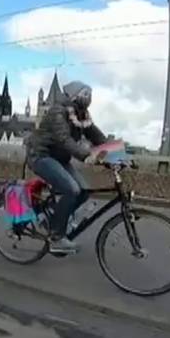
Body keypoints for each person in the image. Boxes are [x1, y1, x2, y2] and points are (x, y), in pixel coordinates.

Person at [25, 81, 107, 254]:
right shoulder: (58, 112)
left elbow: (97, 136)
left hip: (59, 158)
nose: (88, 98)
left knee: (83, 190)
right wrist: (87, 156)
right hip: (41, 155)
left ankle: (55, 219)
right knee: (72, 190)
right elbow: (64, 140)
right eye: (86, 94)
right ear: (76, 95)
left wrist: (118, 154)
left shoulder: (81, 115)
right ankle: (56, 237)